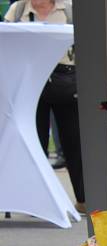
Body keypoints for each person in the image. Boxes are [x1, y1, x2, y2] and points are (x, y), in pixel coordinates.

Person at [5, 0, 86, 213]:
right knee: (32, 141)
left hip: (65, 81)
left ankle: (83, 198)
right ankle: (33, 201)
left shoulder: (68, 9)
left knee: (74, 142)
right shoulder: (19, 9)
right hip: (28, 83)